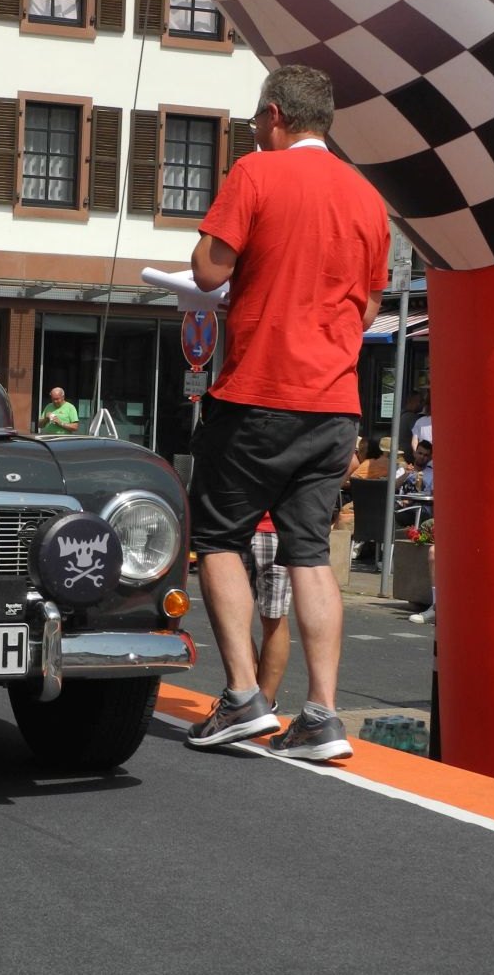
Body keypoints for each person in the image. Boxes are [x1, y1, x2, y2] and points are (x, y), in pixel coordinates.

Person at [182, 64, 389, 762]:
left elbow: (208, 270)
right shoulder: (367, 197)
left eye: (255, 121)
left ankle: (244, 697)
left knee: (218, 538)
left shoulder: (256, 173)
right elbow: (368, 306)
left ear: (274, 115)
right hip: (333, 403)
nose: (254, 132)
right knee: (309, 552)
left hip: (259, 390)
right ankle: (322, 715)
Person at [248, 515, 291, 710]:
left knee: (274, 619)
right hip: (232, 529)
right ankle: (248, 697)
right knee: (232, 621)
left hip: (274, 528)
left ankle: (264, 702)